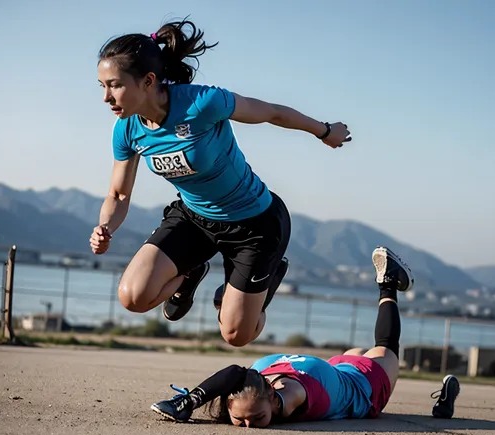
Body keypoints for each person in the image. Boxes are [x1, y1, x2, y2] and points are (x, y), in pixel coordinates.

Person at [88, 18, 352, 348]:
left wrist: (325, 131)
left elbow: (271, 112)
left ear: (148, 81)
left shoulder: (202, 103)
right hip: (194, 219)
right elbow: (119, 193)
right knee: (133, 297)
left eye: (114, 85)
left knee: (236, 334)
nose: (106, 97)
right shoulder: (127, 129)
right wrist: (105, 226)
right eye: (102, 86)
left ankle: (266, 278)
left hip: (254, 225)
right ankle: (189, 273)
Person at [150, 246, 462, 427]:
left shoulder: (290, 399)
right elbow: (236, 375)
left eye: (256, 418)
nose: (248, 427)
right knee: (240, 327)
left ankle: (388, 283)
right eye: (241, 420)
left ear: (274, 398)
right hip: (332, 369)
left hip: (361, 384)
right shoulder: (259, 377)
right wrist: (192, 401)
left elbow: (236, 375)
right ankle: (257, 289)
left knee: (387, 349)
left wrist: (191, 402)